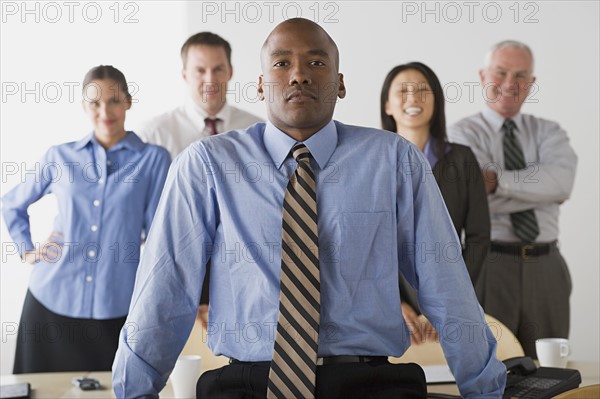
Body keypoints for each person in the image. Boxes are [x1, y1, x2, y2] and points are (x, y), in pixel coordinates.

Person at [112, 19, 506, 398]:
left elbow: (446, 286)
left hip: (368, 382)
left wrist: (485, 391)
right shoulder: (206, 166)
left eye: (316, 62)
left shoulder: (395, 161)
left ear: (340, 84)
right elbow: (164, 291)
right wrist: (133, 392)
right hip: (247, 382)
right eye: (282, 63)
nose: (299, 75)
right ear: (261, 85)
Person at [1, 65, 171, 373]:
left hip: (117, 306)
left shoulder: (153, 160)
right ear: (84, 106)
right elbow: (11, 203)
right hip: (49, 301)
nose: (105, 111)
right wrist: (28, 250)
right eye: (94, 102)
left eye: (114, 100)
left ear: (128, 102)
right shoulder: (59, 156)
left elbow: (160, 235)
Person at [448, 40, 577, 358]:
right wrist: (540, 193)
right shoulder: (461, 135)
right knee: (493, 365)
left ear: (531, 83)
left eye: (520, 76)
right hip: (491, 265)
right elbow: (472, 198)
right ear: (482, 76)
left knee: (550, 372)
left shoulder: (549, 132)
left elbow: (561, 182)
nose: (509, 84)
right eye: (500, 72)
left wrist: (496, 181)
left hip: (547, 268)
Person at [138, 31, 263, 324]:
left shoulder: (258, 132)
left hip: (241, 276)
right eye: (200, 70)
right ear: (184, 74)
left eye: (218, 68)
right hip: (172, 272)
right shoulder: (152, 135)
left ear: (230, 71)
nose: (210, 78)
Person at [380, 62, 490, 345]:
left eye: (422, 91)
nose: (413, 98)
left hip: (454, 306)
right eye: (403, 92)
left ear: (436, 101)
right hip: (393, 308)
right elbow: (370, 245)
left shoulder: (463, 159)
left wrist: (452, 302)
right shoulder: (374, 163)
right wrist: (394, 303)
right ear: (388, 106)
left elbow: (478, 236)